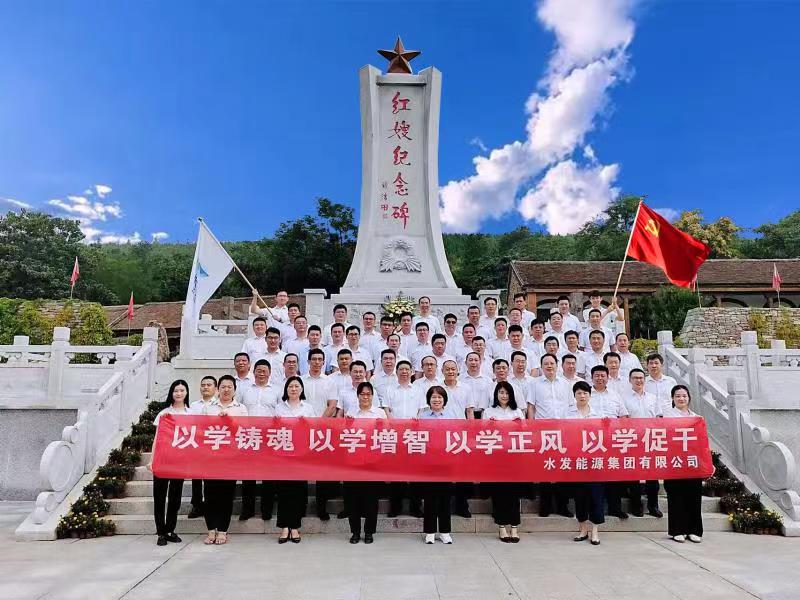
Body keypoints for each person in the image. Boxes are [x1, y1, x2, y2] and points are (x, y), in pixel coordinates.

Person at [202, 375, 248, 545]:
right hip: (210, 458)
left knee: (226, 495)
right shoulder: (208, 407)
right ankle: (210, 530)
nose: (226, 390)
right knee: (210, 495)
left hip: (230, 458)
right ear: (217, 389)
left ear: (235, 390)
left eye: (229, 387)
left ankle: (222, 530)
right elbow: (201, 429)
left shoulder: (241, 409)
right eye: (223, 387)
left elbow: (245, 431)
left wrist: (230, 421)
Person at [527, 354, 572, 517]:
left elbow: (571, 406)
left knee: (562, 469)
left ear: (557, 365)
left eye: (552, 363)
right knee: (545, 468)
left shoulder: (566, 384)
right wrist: (531, 429)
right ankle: (545, 507)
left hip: (562, 431)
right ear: (541, 366)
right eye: (545, 363)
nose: (549, 366)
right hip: (543, 432)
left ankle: (562, 506)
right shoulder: (534, 383)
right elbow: (531, 407)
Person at [147, 379, 190, 545]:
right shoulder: (164, 413)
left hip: (180, 461)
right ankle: (161, 532)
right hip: (163, 459)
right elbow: (157, 439)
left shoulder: (191, 413)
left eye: (182, 390)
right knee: (159, 496)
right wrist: (152, 460)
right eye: (176, 390)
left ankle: (170, 529)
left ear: (186, 393)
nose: (179, 393)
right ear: (171, 393)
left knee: (175, 497)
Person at [344, 382, 386, 544]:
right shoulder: (351, 412)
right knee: (352, 499)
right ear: (358, 396)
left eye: (368, 394)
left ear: (372, 396)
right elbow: (345, 435)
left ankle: (369, 532)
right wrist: (347, 424)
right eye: (362, 394)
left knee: (371, 499)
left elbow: (387, 435)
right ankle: (355, 532)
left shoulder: (380, 413)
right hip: (353, 462)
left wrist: (381, 427)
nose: (365, 397)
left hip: (373, 461)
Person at [274, 377, 314, 543]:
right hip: (283, 455)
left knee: (298, 491)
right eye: (290, 386)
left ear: (302, 389)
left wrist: (306, 424)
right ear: (286, 389)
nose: (294, 389)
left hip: (301, 455)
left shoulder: (308, 408)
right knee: (283, 491)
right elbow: (273, 430)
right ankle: (284, 526)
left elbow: (315, 429)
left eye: (297, 386)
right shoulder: (279, 407)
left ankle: (295, 526)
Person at [663, 385, 705, 543]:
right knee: (676, 496)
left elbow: (702, 442)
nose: (681, 399)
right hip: (674, 462)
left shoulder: (697, 418)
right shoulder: (667, 416)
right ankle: (677, 530)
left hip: (692, 463)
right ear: (672, 399)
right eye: (677, 396)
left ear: (689, 398)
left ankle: (694, 530)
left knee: (694, 496)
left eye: (684, 396)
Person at [384, 360, 425, 518]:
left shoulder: (418, 389)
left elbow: (421, 410)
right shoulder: (389, 389)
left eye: (407, 369)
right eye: (401, 369)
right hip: (395, 435)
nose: (404, 372)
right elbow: (387, 410)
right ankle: (395, 507)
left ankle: (416, 507)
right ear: (397, 371)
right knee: (396, 473)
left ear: (412, 372)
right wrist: (395, 425)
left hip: (414, 435)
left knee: (416, 473)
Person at [484, 381, 524, 543]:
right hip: (496, 457)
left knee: (514, 493)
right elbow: (483, 432)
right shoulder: (488, 411)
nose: (504, 396)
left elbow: (524, 432)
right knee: (499, 492)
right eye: (501, 392)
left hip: (514, 457)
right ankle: (501, 527)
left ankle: (514, 527)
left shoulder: (517, 412)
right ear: (496, 394)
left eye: (507, 393)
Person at [239, 359, 279, 522]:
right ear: (253, 372)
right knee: (248, 475)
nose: (261, 373)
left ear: (269, 373)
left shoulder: (276, 391)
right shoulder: (245, 390)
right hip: (249, 436)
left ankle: (266, 510)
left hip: (269, 437)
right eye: (259, 370)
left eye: (264, 371)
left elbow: (280, 413)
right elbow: (239, 410)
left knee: (269, 476)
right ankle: (247, 509)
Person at [566, 381, 604, 545]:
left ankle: (595, 531)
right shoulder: (567, 414)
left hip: (594, 460)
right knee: (580, 496)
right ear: (574, 395)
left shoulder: (598, 414)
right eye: (579, 393)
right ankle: (582, 529)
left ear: (590, 395)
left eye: (585, 393)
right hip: (576, 461)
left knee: (596, 495)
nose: (582, 396)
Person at [623, 368, 663, 518]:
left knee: (652, 476)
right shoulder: (624, 398)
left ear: (644, 380)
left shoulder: (653, 398)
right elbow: (623, 419)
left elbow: (659, 417)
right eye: (635, 378)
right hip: (632, 440)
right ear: (630, 380)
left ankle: (653, 506)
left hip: (651, 440)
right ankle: (636, 506)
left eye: (641, 378)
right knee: (634, 476)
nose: (638, 380)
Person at [418, 385, 454, 544]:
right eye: (433, 397)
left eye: (440, 397)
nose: (437, 400)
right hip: (428, 462)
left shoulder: (452, 416)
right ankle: (430, 531)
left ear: (444, 399)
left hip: (446, 461)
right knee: (430, 497)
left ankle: (445, 532)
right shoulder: (422, 416)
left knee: (445, 497)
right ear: (429, 400)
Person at [187, 375, 217, 518]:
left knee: (211, 477)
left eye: (209, 385)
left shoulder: (219, 405)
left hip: (213, 444)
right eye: (203, 385)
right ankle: (197, 505)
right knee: (196, 477)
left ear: (215, 388)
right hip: (197, 444)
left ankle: (211, 504)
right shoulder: (193, 406)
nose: (205, 387)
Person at [459, 351, 493, 419]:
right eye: (470, 360)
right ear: (465, 363)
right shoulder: (459, 380)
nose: (473, 362)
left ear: (480, 362)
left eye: (476, 360)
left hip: (483, 414)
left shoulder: (488, 380)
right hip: (464, 413)